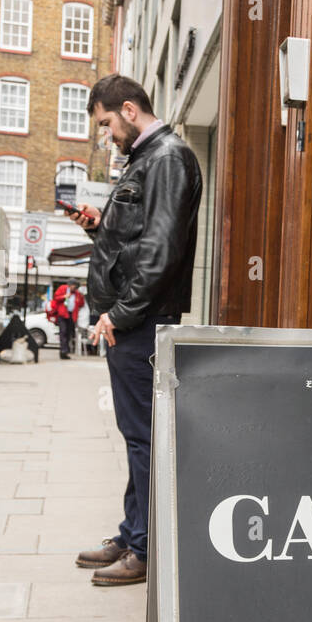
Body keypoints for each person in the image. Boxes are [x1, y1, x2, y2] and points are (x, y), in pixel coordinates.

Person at [63, 74, 201, 586]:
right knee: (136, 433)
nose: (106, 136)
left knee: (144, 435)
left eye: (106, 125)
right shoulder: (147, 159)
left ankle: (144, 550)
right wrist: (101, 225)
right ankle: (132, 532)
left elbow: (162, 253)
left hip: (140, 323)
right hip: (133, 321)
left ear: (127, 109)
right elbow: (142, 238)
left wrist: (118, 314)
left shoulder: (167, 158)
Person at [47, 281, 84, 358]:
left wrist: (80, 298)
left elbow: (81, 304)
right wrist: (64, 296)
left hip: (72, 315)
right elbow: (56, 298)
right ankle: (63, 351)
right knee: (63, 332)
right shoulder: (63, 288)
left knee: (68, 334)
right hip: (62, 314)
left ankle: (65, 351)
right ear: (70, 285)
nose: (74, 288)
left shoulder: (77, 293)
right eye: (74, 286)